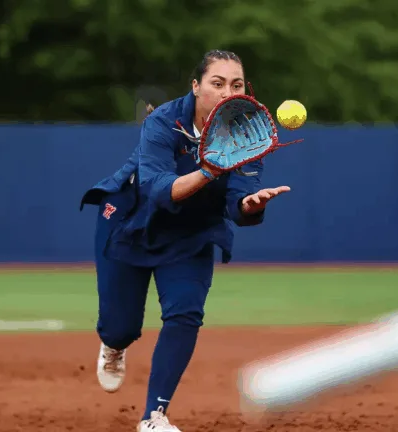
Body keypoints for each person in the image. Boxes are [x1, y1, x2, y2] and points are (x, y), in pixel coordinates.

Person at [79, 49, 291, 432]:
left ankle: (154, 416)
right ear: (196, 87)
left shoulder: (247, 131)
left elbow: (239, 205)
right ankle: (113, 345)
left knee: (185, 315)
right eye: (217, 83)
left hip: (191, 233)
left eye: (237, 84)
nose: (228, 92)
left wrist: (250, 204)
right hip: (131, 223)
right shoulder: (162, 122)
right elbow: (161, 191)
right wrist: (210, 169)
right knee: (120, 327)